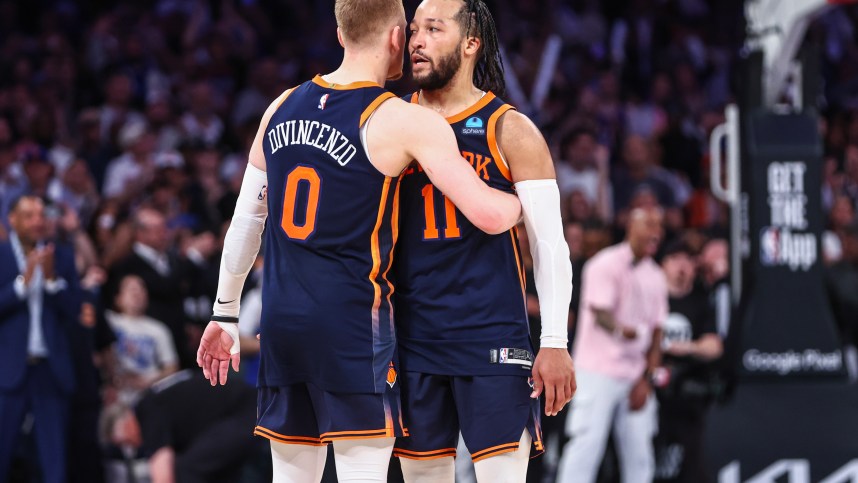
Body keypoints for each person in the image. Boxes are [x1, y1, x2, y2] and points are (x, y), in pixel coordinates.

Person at [195, 0, 523, 481]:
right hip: (352, 331)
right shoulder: (401, 120)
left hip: (283, 326)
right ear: (396, 37)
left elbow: (247, 221)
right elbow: (490, 216)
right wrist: (523, 201)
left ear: (339, 33)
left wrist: (224, 312)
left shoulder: (280, 106)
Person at [392, 1, 575, 481]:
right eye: (414, 30)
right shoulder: (390, 121)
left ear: (471, 43)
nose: (417, 40)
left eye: (433, 28)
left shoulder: (509, 129)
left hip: (491, 336)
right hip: (412, 337)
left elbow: (550, 244)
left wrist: (554, 341)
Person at [556, 206, 668, 483]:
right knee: (585, 447)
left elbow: (657, 333)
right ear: (631, 226)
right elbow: (600, 313)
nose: (656, 232)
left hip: (635, 374)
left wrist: (648, 378)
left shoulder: (656, 275)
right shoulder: (603, 264)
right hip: (597, 372)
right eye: (650, 225)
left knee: (640, 455)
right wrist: (621, 331)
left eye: (659, 226)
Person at [0, 195, 82, 483]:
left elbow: (76, 311)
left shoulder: (62, 256)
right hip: (7, 370)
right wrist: (22, 284)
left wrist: (49, 281)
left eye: (41, 215)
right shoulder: (1, 257)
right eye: (29, 215)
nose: (37, 221)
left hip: (50, 369)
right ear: (12, 220)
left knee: (54, 460)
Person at [654, 241, 723, 483]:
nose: (682, 266)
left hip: (687, 392)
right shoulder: (650, 298)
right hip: (648, 392)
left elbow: (715, 346)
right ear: (662, 266)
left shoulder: (701, 300)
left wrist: (687, 348)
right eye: (675, 259)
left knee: (693, 466)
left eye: (687, 260)